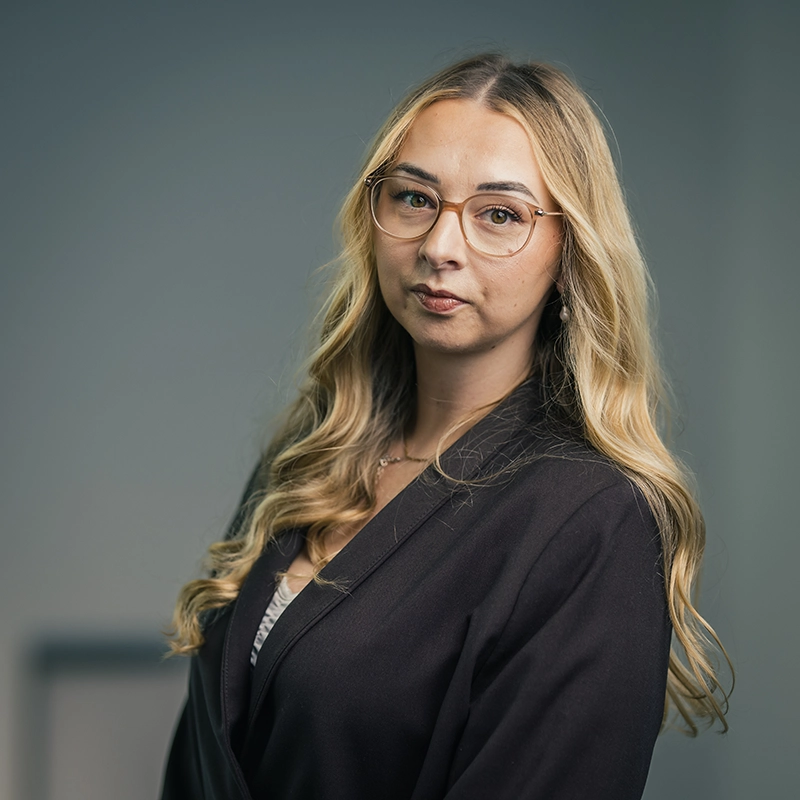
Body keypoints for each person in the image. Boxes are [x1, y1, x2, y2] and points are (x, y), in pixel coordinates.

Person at [160, 54, 730, 800]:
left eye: (500, 214)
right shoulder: (307, 460)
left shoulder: (591, 520)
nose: (439, 246)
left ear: (569, 252)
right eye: (414, 198)